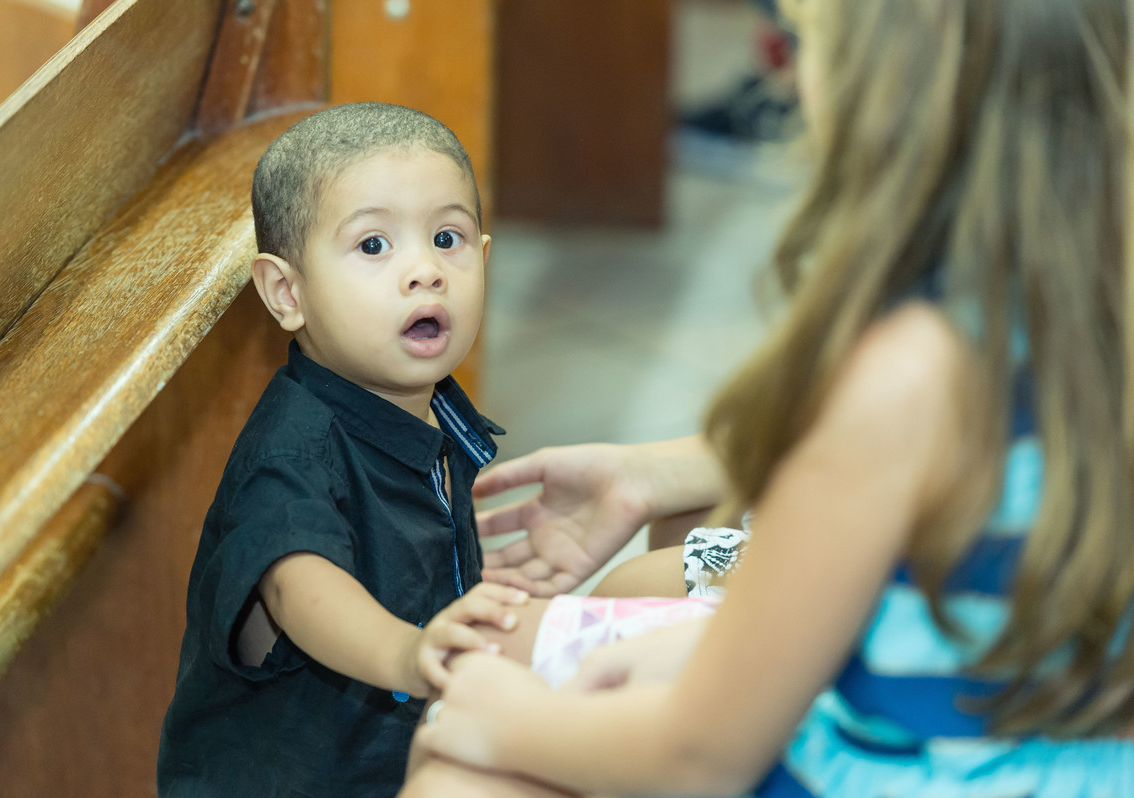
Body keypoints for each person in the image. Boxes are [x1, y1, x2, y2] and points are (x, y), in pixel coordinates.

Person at [405, 0, 1134, 794]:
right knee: (616, 603)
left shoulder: (907, 371)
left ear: (887, 79)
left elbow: (700, 760)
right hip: (1064, 747)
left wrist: (502, 719)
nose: (791, 80)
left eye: (805, 44)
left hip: (920, 769)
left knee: (459, 743)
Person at [156, 102, 530, 798]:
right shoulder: (293, 452)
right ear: (286, 292)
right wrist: (407, 652)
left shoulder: (436, 409)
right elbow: (298, 584)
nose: (425, 270)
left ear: (483, 259)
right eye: (374, 245)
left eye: (446, 238)